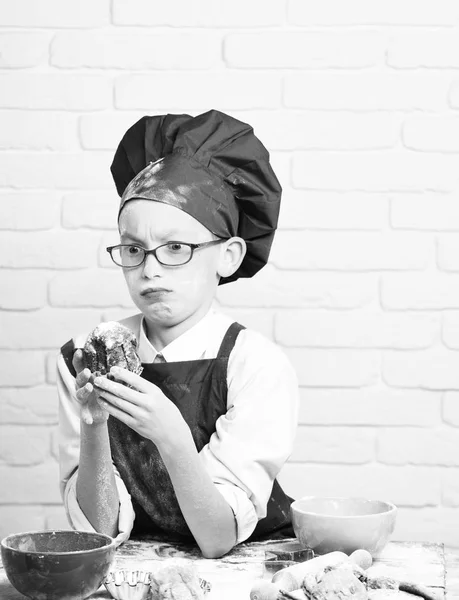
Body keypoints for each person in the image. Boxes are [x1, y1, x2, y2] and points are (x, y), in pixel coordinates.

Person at [57, 109, 299, 559]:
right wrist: (94, 428)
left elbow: (217, 538)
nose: (149, 270)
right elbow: (101, 531)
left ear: (227, 256)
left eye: (175, 248)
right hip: (140, 571)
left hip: (247, 568)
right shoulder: (82, 360)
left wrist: (169, 433)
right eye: (133, 249)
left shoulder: (255, 364)